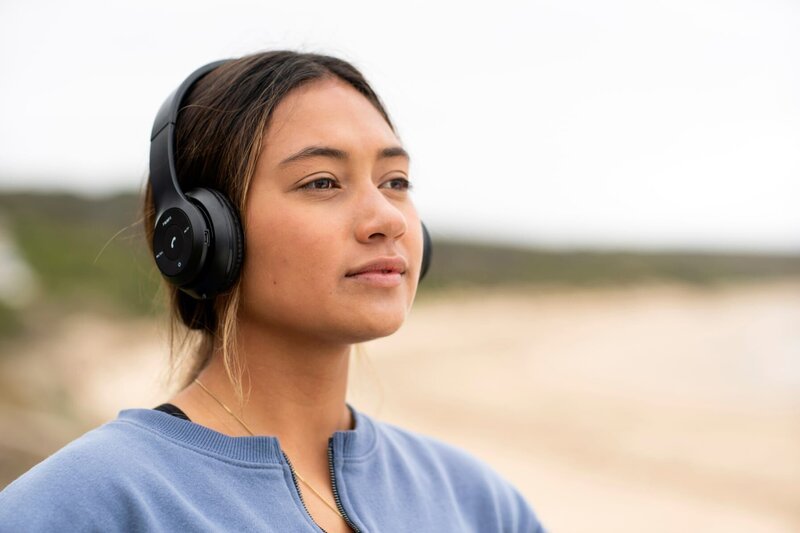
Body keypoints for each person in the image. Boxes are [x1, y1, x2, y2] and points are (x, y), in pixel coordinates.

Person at [0, 50, 545, 532]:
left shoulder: (478, 504)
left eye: (395, 181)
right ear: (204, 234)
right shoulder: (85, 506)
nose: (386, 218)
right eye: (322, 183)